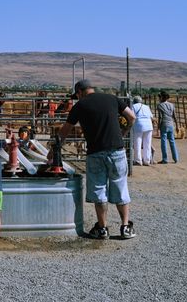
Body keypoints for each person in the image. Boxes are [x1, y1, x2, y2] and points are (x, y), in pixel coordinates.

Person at [54, 79, 137, 240]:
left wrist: (55, 149)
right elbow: (132, 117)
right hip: (117, 151)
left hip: (95, 152)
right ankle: (125, 227)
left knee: (99, 191)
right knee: (120, 187)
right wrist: (123, 132)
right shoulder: (112, 99)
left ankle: (102, 228)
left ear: (79, 92)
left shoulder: (80, 106)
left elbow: (64, 132)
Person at [157, 91, 179, 164]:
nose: (159, 98)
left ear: (162, 97)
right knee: (172, 141)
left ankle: (165, 159)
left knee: (163, 142)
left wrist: (158, 127)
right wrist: (177, 126)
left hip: (164, 124)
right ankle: (176, 158)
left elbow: (160, 117)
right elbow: (175, 116)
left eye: (160, 97)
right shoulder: (171, 105)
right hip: (171, 124)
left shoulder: (160, 105)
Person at [131, 96, 154, 166]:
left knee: (137, 143)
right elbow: (151, 117)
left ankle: (138, 160)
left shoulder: (133, 106)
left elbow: (132, 116)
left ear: (134, 101)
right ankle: (147, 160)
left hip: (138, 125)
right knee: (147, 143)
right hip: (149, 125)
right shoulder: (146, 107)